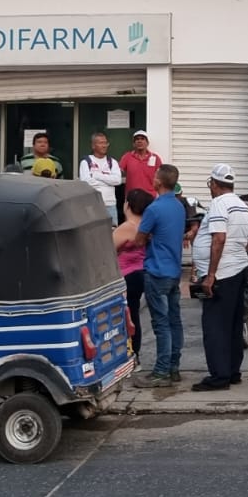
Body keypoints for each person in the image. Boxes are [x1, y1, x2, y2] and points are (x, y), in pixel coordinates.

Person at [190, 164, 248, 392]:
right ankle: (232, 371)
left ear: (214, 184)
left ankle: (219, 376)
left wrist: (211, 275)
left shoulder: (219, 203)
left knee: (215, 326)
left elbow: (219, 238)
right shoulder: (241, 205)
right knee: (234, 324)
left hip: (222, 274)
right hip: (238, 270)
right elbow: (246, 241)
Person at [135, 164, 186, 386]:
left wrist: (148, 236)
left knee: (161, 323)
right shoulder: (179, 206)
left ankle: (161, 371)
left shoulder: (154, 209)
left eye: (155, 176)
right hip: (174, 270)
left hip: (157, 270)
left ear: (159, 181)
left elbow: (139, 239)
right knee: (174, 320)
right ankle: (174, 366)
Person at [114, 188, 152, 355]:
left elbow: (108, 250)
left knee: (125, 316)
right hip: (141, 272)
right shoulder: (147, 225)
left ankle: (129, 352)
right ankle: (135, 352)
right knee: (134, 313)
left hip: (126, 275)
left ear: (128, 205)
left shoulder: (127, 227)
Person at [79, 132, 124, 221]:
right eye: (101, 143)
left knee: (112, 229)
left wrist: (96, 175)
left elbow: (117, 180)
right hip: (92, 204)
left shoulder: (112, 162)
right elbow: (86, 183)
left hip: (110, 204)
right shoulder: (86, 162)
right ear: (93, 146)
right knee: (93, 229)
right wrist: (108, 182)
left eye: (105, 143)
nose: (104, 146)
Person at [120, 131, 162, 198]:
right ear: (133, 144)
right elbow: (119, 172)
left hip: (150, 196)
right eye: (137, 139)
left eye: (142, 139)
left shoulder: (155, 158)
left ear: (147, 143)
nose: (139, 141)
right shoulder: (127, 157)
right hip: (132, 197)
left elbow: (161, 177)